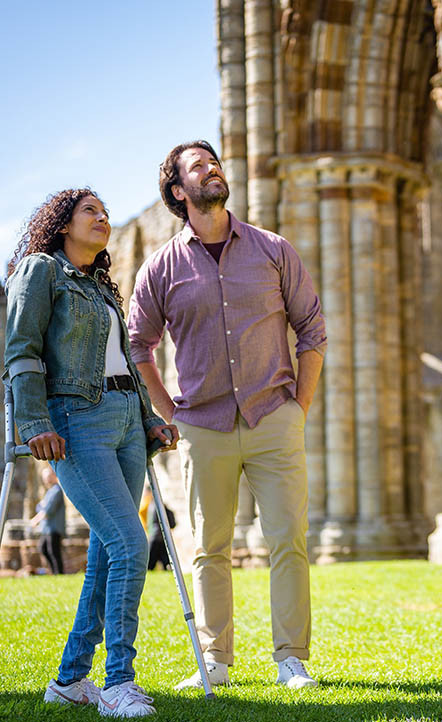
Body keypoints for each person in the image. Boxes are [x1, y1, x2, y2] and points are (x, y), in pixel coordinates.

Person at [128, 140, 326, 690]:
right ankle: (214, 660)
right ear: (177, 190)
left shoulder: (272, 250)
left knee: (288, 539)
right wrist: (169, 413)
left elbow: (311, 328)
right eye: (199, 166)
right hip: (202, 427)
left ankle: (291, 658)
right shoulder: (161, 267)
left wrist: (298, 407)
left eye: (215, 162)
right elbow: (137, 345)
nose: (213, 169)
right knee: (208, 548)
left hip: (273, 417)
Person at [4, 188, 179, 718]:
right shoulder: (41, 271)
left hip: (127, 420)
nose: (102, 219)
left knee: (108, 551)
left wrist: (150, 419)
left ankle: (71, 679)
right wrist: (34, 422)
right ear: (62, 224)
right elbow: (22, 348)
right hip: (77, 421)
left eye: (106, 213)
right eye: (90, 212)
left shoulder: (102, 285)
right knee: (130, 543)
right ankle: (120, 682)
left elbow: (124, 358)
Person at [31, 465, 66, 574]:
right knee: (44, 549)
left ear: (54, 476)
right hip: (46, 528)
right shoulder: (49, 492)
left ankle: (59, 573)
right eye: (44, 477)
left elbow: (48, 510)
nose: (46, 479)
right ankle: (55, 572)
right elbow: (40, 507)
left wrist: (35, 520)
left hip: (54, 528)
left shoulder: (57, 490)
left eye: (48, 476)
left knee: (54, 552)